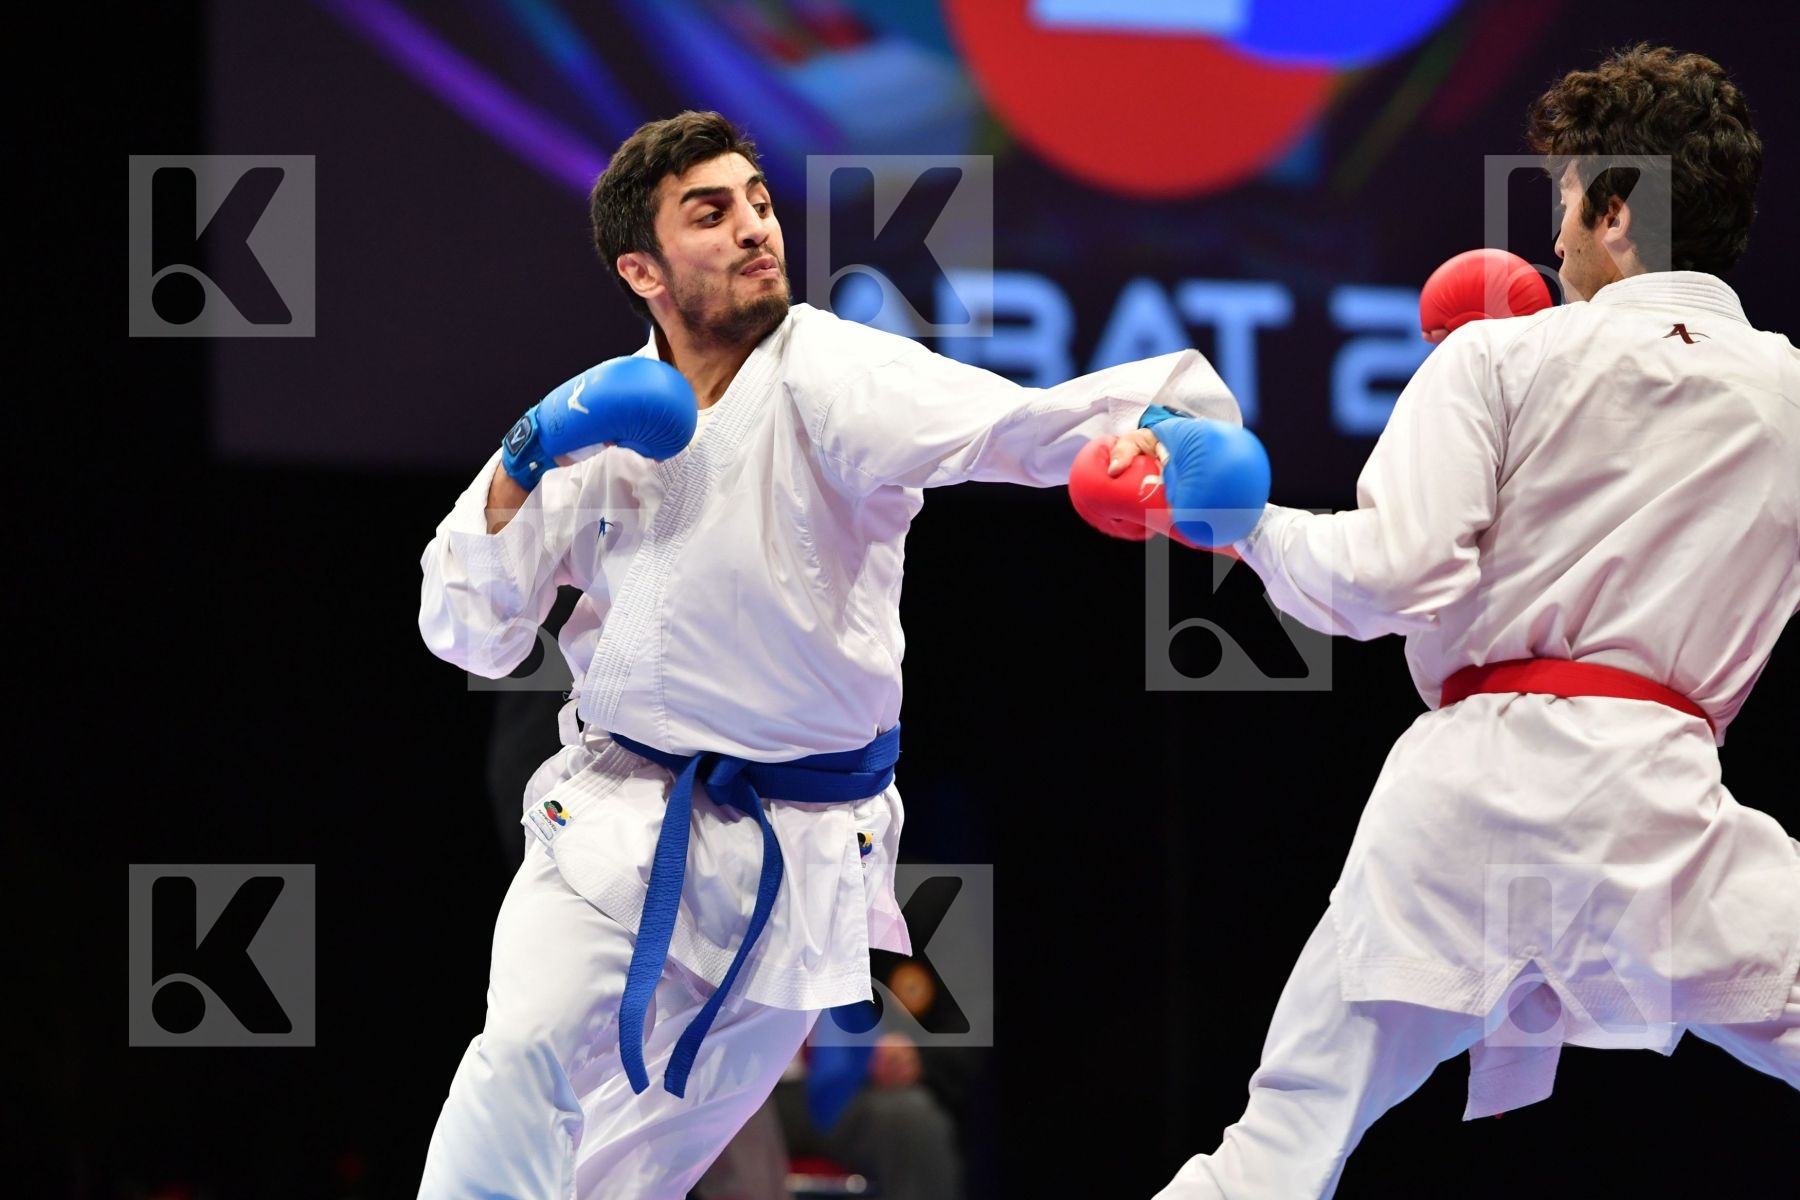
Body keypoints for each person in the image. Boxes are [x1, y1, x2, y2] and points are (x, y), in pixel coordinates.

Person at [416, 110, 1247, 1198]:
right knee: (519, 1056)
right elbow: (465, 628)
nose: (756, 228)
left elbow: (1012, 424)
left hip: (797, 853)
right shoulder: (593, 419)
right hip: (612, 817)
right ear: (643, 267)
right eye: (710, 214)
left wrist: (1161, 429)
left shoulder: (832, 373)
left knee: (629, 1176)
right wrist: (524, 459)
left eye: (758, 202)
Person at [1154, 45, 1799, 1198]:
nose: (1551, 242)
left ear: (1614, 211)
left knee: (1282, 1143)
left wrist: (1243, 523)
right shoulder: (1790, 391)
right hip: (1661, 815)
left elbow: (1385, 581)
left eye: (1563, 202)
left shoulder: (1498, 355)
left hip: (1463, 811)